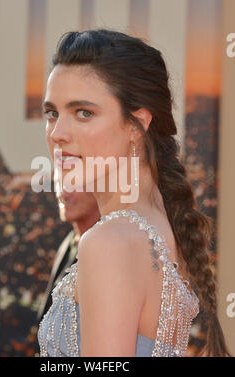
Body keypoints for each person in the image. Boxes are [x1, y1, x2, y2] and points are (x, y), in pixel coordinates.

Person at [37, 28, 231, 357]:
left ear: (136, 125)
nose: (58, 133)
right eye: (52, 113)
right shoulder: (159, 229)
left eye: (83, 113)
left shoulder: (109, 242)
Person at [34, 185, 100, 356]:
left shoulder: (108, 250)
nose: (63, 190)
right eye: (60, 177)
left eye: (75, 181)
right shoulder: (69, 242)